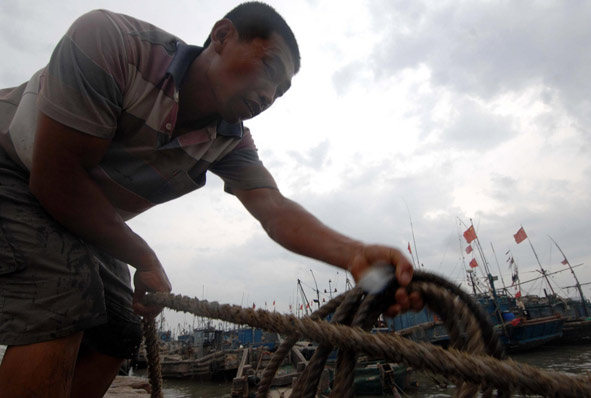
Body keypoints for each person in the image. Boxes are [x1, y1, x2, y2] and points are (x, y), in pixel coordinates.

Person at [0, 2, 421, 397]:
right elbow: (56, 180)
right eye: (269, 67)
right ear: (221, 36)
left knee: (121, 329)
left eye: (281, 91)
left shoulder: (229, 141)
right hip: (14, 167)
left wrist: (354, 254)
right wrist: (144, 258)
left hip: (79, 209)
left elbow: (273, 210)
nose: (270, 95)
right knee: (65, 294)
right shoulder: (111, 43)